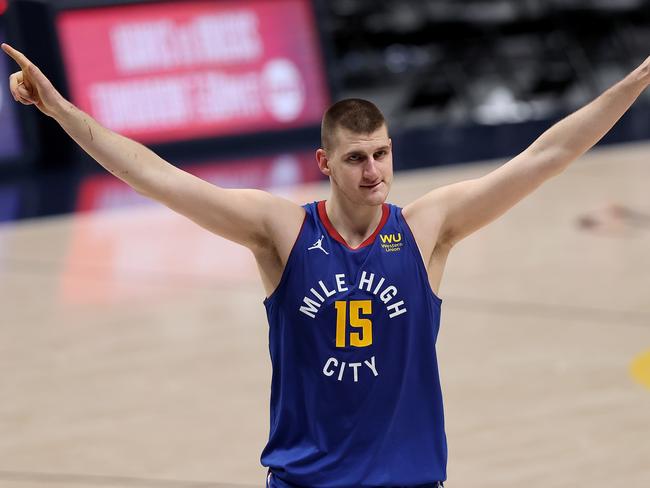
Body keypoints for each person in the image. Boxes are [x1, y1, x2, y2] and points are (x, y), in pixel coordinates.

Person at [3, 42, 649, 487]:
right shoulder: (281, 232)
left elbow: (547, 155)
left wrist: (637, 80)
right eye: (356, 158)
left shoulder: (428, 229)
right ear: (324, 164)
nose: (374, 172)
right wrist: (62, 110)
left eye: (382, 154)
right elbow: (153, 176)